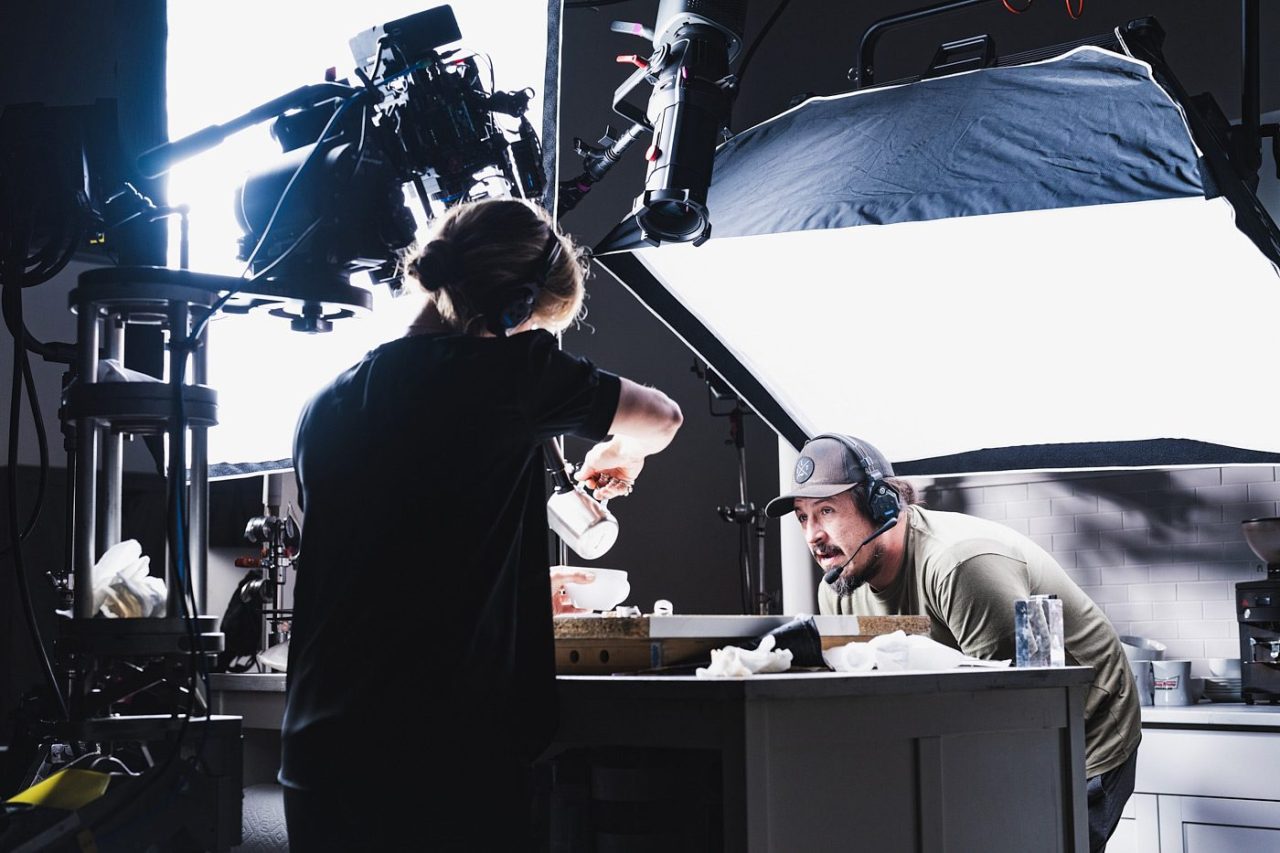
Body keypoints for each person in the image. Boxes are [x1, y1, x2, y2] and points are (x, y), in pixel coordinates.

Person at [279, 197, 683, 851]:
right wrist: (621, 449)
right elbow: (663, 418)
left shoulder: (326, 402)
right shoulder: (512, 374)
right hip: (441, 762)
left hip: (319, 757)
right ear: (515, 309)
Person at [766, 433, 1141, 853]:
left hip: (1082, 731)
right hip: (984, 723)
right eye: (803, 517)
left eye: (827, 511)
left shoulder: (961, 565)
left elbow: (1012, 717)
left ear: (882, 504)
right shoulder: (840, 584)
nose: (813, 535)